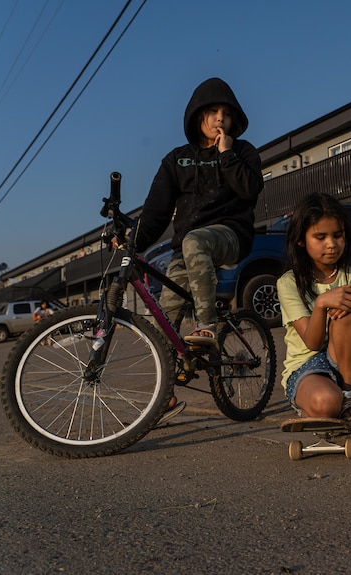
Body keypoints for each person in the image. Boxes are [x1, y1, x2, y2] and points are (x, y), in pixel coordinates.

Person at [130, 77, 263, 424]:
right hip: (187, 249)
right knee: (165, 320)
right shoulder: (177, 160)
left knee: (194, 241)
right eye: (213, 112)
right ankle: (165, 399)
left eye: (227, 114)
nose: (220, 119)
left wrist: (227, 153)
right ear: (198, 115)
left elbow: (250, 191)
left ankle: (208, 324)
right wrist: (133, 241)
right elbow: (157, 211)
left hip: (230, 234)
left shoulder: (243, 151)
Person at [277, 193, 351, 420]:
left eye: (338, 235)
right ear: (301, 240)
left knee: (346, 313)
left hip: (348, 366)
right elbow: (312, 343)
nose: (331, 244)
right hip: (305, 368)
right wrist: (322, 304)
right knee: (327, 404)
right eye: (320, 237)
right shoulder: (289, 283)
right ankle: (320, 407)